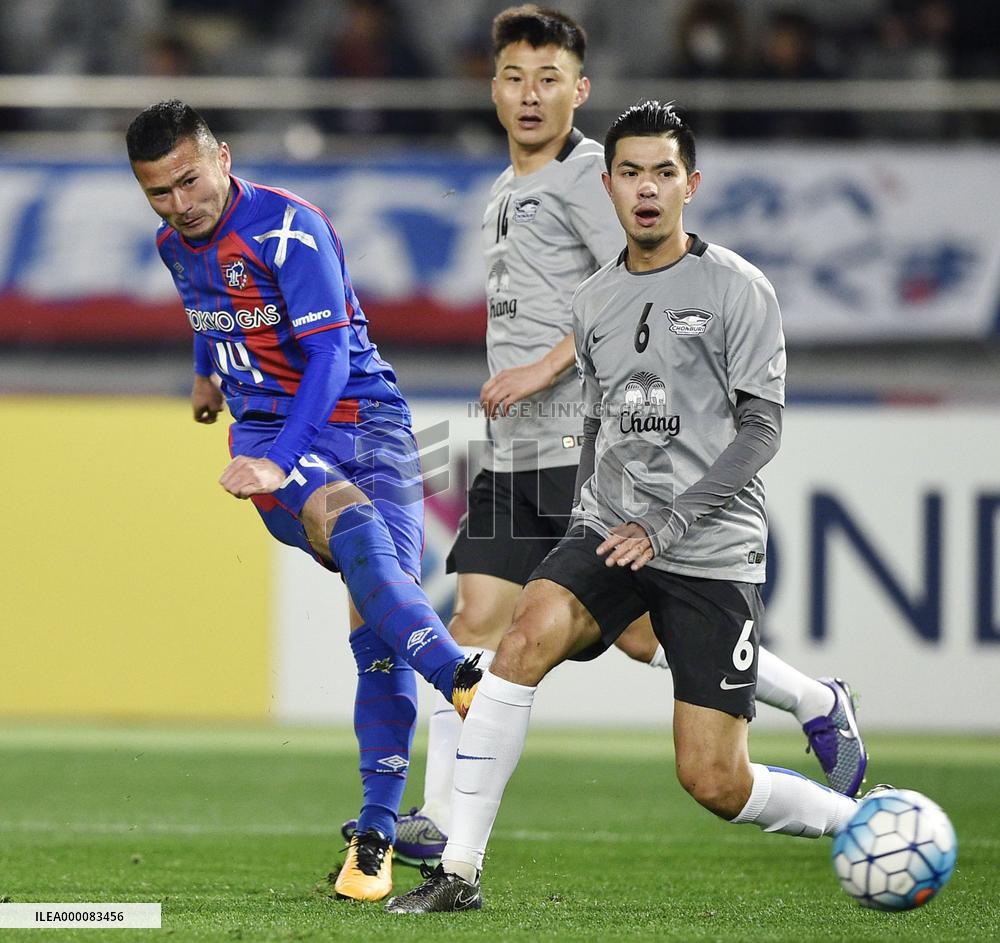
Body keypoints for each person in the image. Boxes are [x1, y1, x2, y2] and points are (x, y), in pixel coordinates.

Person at [342, 4, 866, 870]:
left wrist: (540, 371)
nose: (530, 95)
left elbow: (622, 292)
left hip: (575, 448)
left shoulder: (595, 175)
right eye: (515, 78)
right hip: (516, 452)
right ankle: (441, 818)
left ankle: (812, 698)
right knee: (480, 621)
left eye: (548, 79)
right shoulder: (505, 189)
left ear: (579, 91)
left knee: (635, 635)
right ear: (492, 87)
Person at [125, 100, 481, 903]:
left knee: (377, 621)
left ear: (222, 157)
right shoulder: (173, 243)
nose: (180, 204)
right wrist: (207, 375)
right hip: (264, 430)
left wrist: (280, 461)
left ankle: (376, 838)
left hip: (369, 423)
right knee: (349, 527)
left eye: (189, 181)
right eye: (159, 193)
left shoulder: (291, 229)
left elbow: (328, 358)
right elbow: (207, 303)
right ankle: (461, 677)